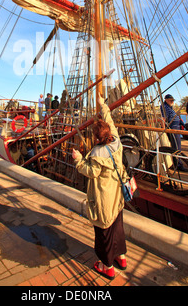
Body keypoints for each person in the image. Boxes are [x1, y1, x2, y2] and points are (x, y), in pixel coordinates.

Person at [72, 94, 127, 280]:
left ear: (96, 137)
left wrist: (78, 160)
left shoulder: (97, 153)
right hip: (118, 194)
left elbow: (92, 172)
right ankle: (122, 258)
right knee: (118, 226)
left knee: (104, 231)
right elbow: (109, 121)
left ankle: (107, 266)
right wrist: (103, 105)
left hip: (104, 197)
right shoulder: (117, 142)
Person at [160, 94, 188, 172]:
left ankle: (177, 163)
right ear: (166, 100)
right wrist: (163, 129)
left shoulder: (169, 106)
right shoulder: (165, 107)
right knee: (176, 147)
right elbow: (163, 118)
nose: (172, 102)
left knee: (177, 146)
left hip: (176, 127)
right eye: (171, 100)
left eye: (173, 100)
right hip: (172, 128)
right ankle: (178, 164)